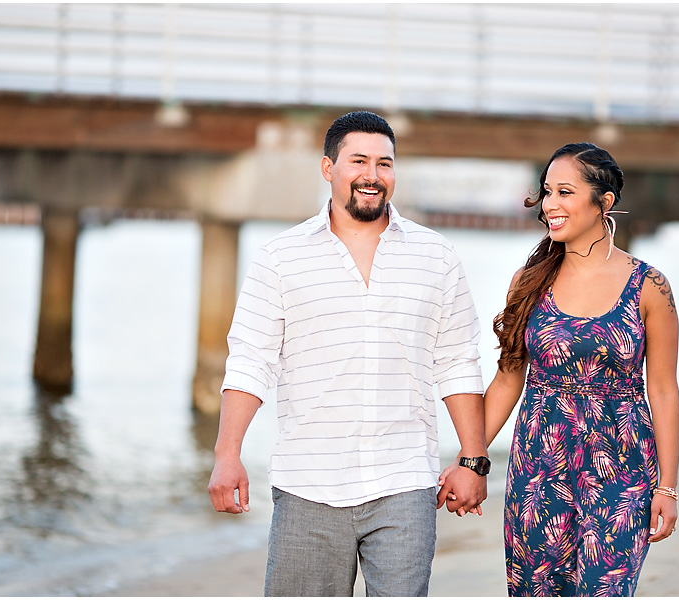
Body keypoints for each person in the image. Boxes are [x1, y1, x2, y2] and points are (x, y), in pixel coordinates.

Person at [207, 110, 490, 597]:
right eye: (359, 161)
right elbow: (251, 361)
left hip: (404, 481)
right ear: (327, 168)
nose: (372, 175)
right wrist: (227, 454)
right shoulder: (281, 257)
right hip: (308, 484)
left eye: (385, 163)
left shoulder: (434, 255)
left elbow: (458, 361)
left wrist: (473, 459)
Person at [442, 142, 679, 596]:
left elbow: (665, 391)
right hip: (539, 468)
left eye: (565, 193)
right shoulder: (529, 281)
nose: (550, 204)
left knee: (604, 589)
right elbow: (509, 378)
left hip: (622, 469)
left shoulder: (649, 286)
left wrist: (667, 489)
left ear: (603, 202)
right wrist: (469, 459)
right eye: (547, 192)